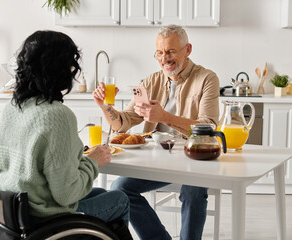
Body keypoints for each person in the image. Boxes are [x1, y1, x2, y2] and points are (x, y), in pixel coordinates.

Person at [0, 30, 132, 239]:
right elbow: (67, 194)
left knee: (103, 194)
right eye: (70, 65)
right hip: (44, 218)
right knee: (120, 199)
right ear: (59, 70)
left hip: (14, 211)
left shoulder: (12, 107)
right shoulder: (57, 115)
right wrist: (92, 161)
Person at [93, 25, 219, 240]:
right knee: (120, 187)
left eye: (170, 52)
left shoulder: (207, 79)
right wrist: (104, 106)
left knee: (193, 191)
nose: (164, 59)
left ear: (187, 50)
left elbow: (208, 128)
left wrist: (164, 117)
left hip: (195, 158)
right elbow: (123, 123)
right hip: (157, 160)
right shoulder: (151, 81)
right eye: (159, 53)